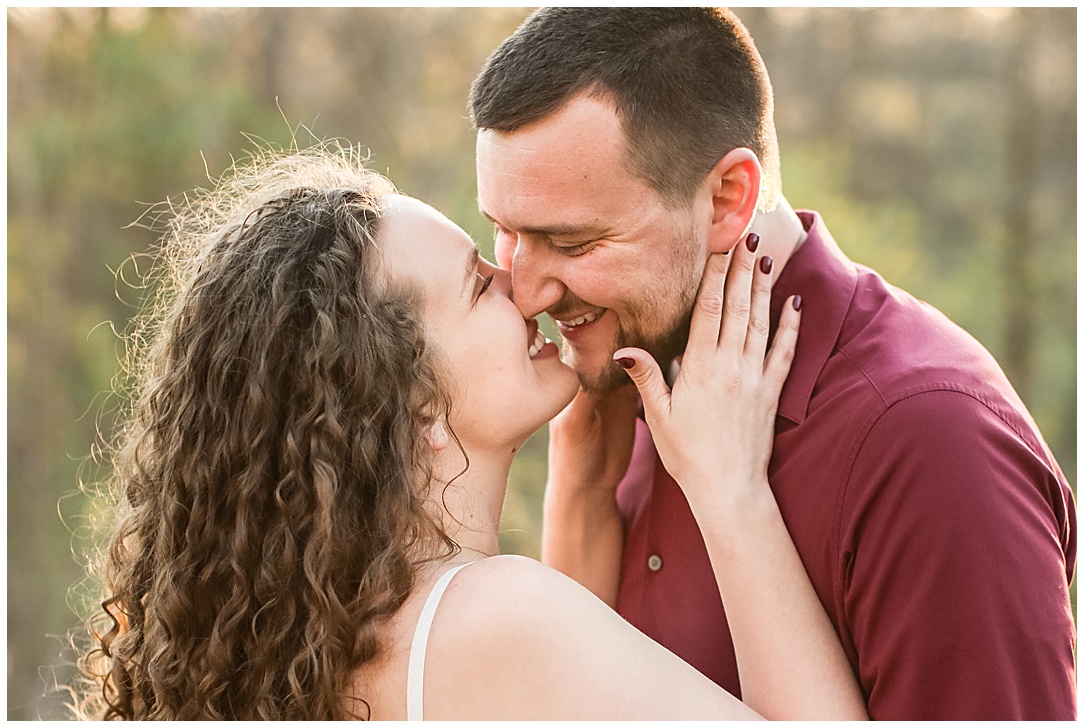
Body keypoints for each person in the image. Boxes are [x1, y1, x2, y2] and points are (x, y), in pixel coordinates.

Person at [74, 145, 867, 720]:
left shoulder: (320, 643)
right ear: (413, 404)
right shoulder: (496, 623)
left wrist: (584, 490)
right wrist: (732, 492)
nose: (520, 286)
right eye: (474, 283)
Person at [469, 7, 1076, 721]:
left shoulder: (930, 441)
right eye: (504, 233)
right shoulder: (627, 374)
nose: (526, 291)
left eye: (571, 243)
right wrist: (582, 479)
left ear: (729, 198)